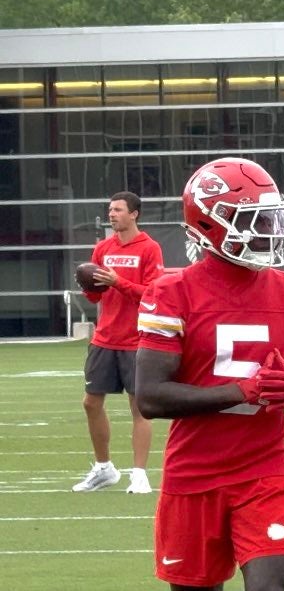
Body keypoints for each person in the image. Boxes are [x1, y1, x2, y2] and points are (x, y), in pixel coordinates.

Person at [135, 158, 284, 591]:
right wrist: (241, 391)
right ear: (209, 225)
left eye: (272, 217)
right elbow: (151, 397)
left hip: (264, 469)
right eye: (255, 219)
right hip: (193, 475)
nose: (269, 230)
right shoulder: (171, 293)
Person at [72, 191, 163, 494]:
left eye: (118, 210)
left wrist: (118, 282)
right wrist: (88, 285)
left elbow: (152, 295)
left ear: (134, 214)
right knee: (90, 402)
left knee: (139, 408)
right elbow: (96, 296)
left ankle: (139, 474)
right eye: (110, 210)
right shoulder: (102, 247)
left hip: (137, 339)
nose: (112, 215)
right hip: (104, 337)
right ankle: (104, 468)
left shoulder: (149, 248)